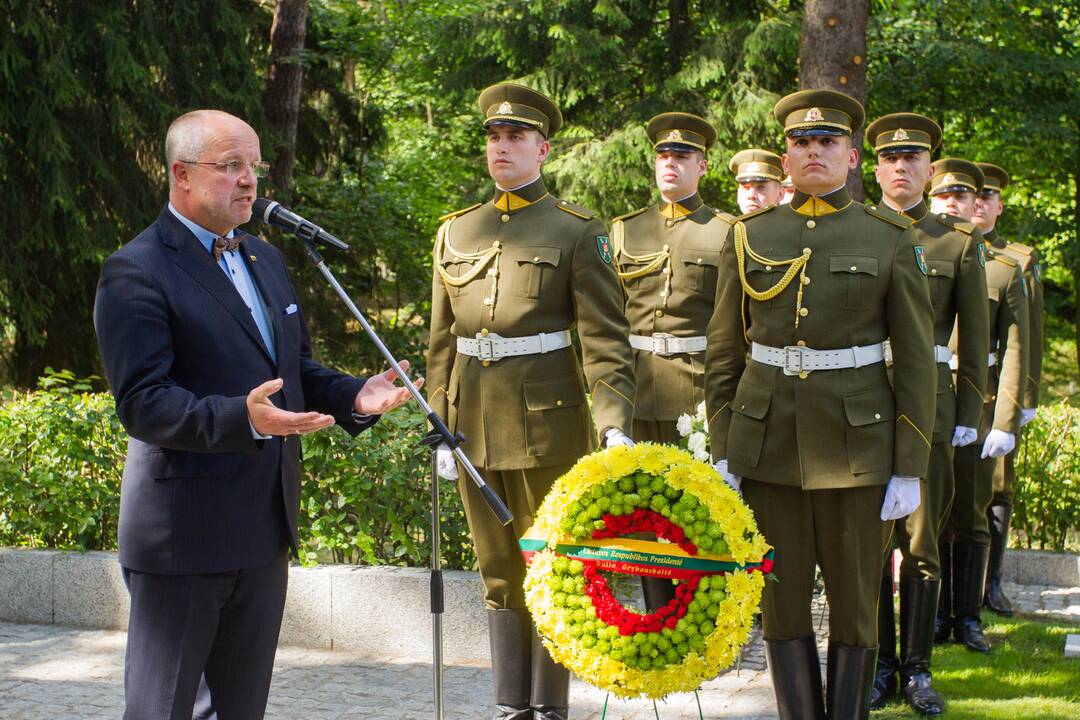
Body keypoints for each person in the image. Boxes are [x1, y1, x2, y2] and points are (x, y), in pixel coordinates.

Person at [93, 109, 416, 719]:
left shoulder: (265, 259)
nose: (249, 181)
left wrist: (353, 395)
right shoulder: (137, 268)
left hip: (263, 528)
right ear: (181, 174)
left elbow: (294, 370)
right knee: (164, 709)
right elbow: (142, 402)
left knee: (242, 710)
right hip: (182, 535)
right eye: (231, 166)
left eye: (255, 166)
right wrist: (240, 419)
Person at [704, 89, 936, 720]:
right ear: (785, 155)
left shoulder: (891, 236)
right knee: (779, 602)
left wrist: (909, 464)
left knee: (857, 603)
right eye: (802, 142)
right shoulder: (751, 234)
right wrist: (722, 446)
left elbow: (916, 361)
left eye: (827, 142)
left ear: (853, 156)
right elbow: (724, 353)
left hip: (858, 448)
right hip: (767, 442)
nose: (813, 151)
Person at [425, 82, 636, 720]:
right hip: (469, 423)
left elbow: (605, 339)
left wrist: (614, 423)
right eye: (493, 137)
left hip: (549, 425)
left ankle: (550, 709)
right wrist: (438, 421)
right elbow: (441, 341)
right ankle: (510, 706)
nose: (502, 148)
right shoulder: (457, 230)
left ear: (542, 148)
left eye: (515, 137)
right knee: (497, 570)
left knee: (553, 566)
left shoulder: (577, 231)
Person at [864, 115, 989, 715]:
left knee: (919, 543)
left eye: (913, 157)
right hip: (860, 405)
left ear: (929, 168)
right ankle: (878, 667)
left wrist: (970, 414)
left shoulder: (957, 244)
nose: (901, 166)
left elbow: (975, 338)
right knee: (866, 543)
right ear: (876, 168)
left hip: (930, 409)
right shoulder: (853, 230)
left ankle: (916, 670)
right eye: (890, 158)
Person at [611, 111, 731, 611]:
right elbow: (608, 321)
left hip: (697, 389)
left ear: (703, 166)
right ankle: (658, 616)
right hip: (638, 390)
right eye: (663, 155)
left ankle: (701, 619)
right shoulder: (624, 231)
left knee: (697, 514)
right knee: (643, 513)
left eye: (682, 156)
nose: (670, 164)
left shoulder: (726, 232)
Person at [929, 158, 1029, 654]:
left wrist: (1007, 416)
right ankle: (929, 615)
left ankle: (966, 616)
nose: (952, 203)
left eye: (962, 196)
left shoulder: (1003, 267)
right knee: (926, 515)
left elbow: (1015, 346)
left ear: (977, 204)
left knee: (970, 512)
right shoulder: (909, 249)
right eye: (943, 195)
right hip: (924, 396)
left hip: (976, 402)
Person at [972, 162, 1043, 617]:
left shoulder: (1018, 259)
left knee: (999, 486)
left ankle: (990, 584)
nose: (977, 203)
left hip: (997, 390)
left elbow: (1028, 335)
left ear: (998, 205)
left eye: (986, 196)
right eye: (968, 195)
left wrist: (1025, 400)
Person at [729, 148, 784, 214]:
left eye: (761, 187)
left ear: (780, 194)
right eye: (745, 188)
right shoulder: (726, 224)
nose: (751, 195)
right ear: (738, 195)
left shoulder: (795, 224)